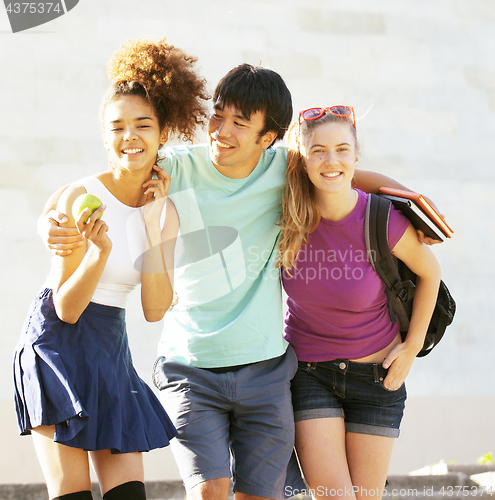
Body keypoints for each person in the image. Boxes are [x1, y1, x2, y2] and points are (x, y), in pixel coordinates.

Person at [38, 63, 437, 500]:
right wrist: (51, 218)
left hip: (265, 370)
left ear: (268, 138)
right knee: (209, 490)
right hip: (190, 365)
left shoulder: (283, 170)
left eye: (239, 123)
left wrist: (409, 200)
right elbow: (114, 175)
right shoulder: (175, 168)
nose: (220, 131)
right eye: (218, 115)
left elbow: (340, 172)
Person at [13, 38, 209, 500]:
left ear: (163, 134)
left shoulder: (166, 213)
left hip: (110, 348)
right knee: (74, 495)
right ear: (105, 138)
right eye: (117, 127)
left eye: (143, 125)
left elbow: (156, 309)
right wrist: (98, 252)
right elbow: (65, 308)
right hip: (56, 345)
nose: (130, 137)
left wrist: (154, 227)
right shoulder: (80, 198)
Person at [278, 106, 442, 500]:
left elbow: (430, 273)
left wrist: (412, 346)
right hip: (309, 375)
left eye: (341, 149)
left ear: (356, 155)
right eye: (317, 151)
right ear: (301, 159)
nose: (331, 160)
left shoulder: (381, 220)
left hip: (378, 378)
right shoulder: (286, 214)